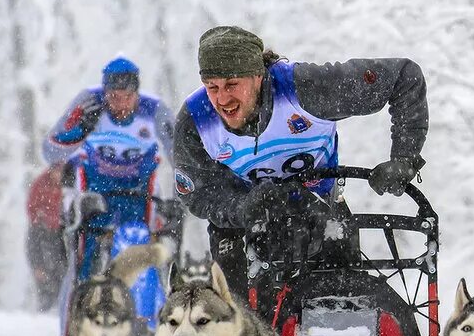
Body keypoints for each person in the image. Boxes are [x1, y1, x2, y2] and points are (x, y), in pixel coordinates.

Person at [173, 25, 428, 293]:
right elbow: (197, 193)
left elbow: (404, 77)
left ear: (258, 76)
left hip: (321, 211)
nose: (223, 99)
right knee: (239, 322)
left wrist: (404, 158)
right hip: (242, 226)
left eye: (232, 85)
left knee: (349, 307)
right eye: (212, 87)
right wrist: (243, 207)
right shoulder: (195, 120)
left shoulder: (305, 89)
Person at [42, 56, 177, 336]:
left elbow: (181, 155)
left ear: (136, 91)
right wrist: (76, 130)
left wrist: (183, 195)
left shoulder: (154, 111)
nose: (118, 104)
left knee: (145, 261)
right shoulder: (88, 103)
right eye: (112, 96)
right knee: (82, 269)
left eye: (125, 96)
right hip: (95, 199)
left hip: (139, 199)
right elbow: (50, 152)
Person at [25, 164, 67, 311]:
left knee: (61, 267)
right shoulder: (41, 184)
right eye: (57, 172)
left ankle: (60, 301)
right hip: (43, 228)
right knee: (42, 266)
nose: (58, 175)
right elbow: (32, 206)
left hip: (61, 230)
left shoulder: (69, 183)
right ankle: (46, 301)